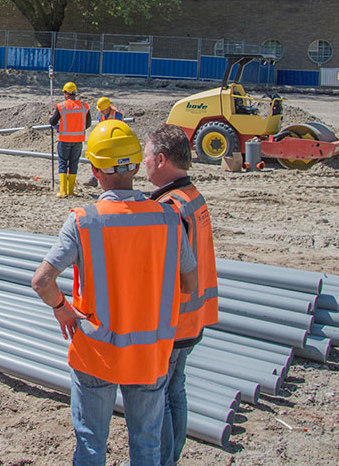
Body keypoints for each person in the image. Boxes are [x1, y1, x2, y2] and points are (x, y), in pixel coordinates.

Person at [31, 119, 197, 466]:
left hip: (96, 352)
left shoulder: (84, 221)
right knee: (147, 445)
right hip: (150, 354)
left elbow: (42, 281)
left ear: (94, 169)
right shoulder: (167, 218)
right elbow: (189, 283)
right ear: (137, 165)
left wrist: (62, 308)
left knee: (91, 445)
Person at [143, 125, 218, 466]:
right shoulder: (193, 196)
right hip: (194, 316)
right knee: (177, 391)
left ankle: (165, 460)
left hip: (173, 321)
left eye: (145, 157)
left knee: (161, 398)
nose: (142, 165)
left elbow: (166, 268)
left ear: (160, 160)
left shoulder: (169, 207)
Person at [49, 81, 91, 198]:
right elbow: (87, 123)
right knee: (74, 164)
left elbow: (53, 122)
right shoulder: (84, 106)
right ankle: (71, 190)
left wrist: (57, 126)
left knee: (63, 163)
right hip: (78, 140)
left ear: (66, 94)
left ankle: (63, 191)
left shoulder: (61, 106)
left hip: (64, 139)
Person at [86, 98, 124, 187]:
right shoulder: (100, 114)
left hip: (115, 141)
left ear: (107, 108)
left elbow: (119, 128)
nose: (101, 111)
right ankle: (94, 179)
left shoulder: (117, 114)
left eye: (102, 109)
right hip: (104, 140)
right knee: (99, 159)